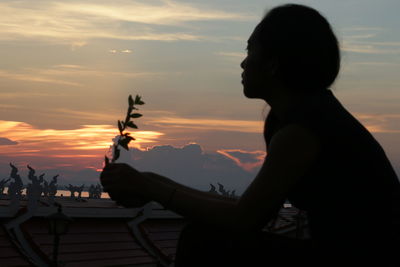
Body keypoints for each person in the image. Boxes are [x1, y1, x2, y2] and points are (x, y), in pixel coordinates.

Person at [100, 4, 400, 266]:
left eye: (249, 51)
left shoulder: (301, 131)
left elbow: (244, 220)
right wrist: (150, 180)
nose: (243, 63)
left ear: (272, 64)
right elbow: (249, 208)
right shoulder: (300, 117)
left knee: (204, 241)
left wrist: (150, 188)